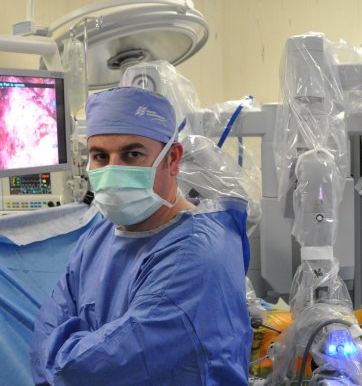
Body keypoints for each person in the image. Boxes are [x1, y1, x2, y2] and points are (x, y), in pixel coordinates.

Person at [30, 87, 252, 385]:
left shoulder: (198, 253)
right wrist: (61, 358)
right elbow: (44, 338)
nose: (113, 170)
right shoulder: (99, 237)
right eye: (100, 156)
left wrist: (62, 355)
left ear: (172, 159)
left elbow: (91, 369)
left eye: (131, 154)